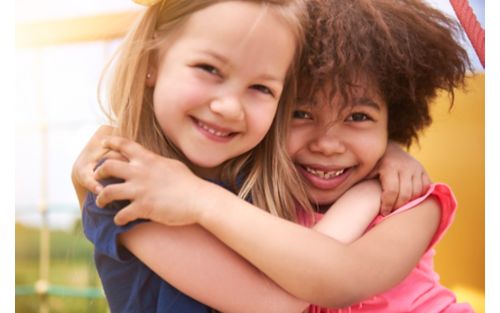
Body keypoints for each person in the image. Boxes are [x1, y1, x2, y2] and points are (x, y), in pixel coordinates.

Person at [81, 0, 474, 312]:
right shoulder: (136, 186)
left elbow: (335, 272)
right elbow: (277, 300)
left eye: (359, 118)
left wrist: (385, 159)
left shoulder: (404, 202)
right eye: (301, 113)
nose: (328, 142)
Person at [79, 0, 315, 312]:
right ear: (151, 62)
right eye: (209, 69)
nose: (229, 107)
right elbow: (274, 304)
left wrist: (388, 155)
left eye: (261, 88)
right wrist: (366, 197)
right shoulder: (123, 185)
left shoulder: (265, 179)